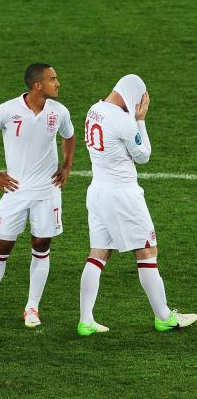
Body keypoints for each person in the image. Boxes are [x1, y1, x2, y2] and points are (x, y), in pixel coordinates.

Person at [78, 74, 197, 335]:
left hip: (97, 192)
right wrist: (140, 120)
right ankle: (164, 317)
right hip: (123, 196)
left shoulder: (94, 109)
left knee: (98, 253)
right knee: (147, 252)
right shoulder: (124, 120)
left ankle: (85, 320)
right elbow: (144, 156)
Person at [0, 63, 76, 329]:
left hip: (47, 193)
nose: (58, 83)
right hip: (15, 192)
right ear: (37, 85)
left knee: (41, 247)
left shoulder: (59, 111)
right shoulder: (7, 110)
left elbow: (69, 136)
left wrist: (67, 165)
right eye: (53, 79)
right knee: (0, 248)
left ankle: (31, 308)